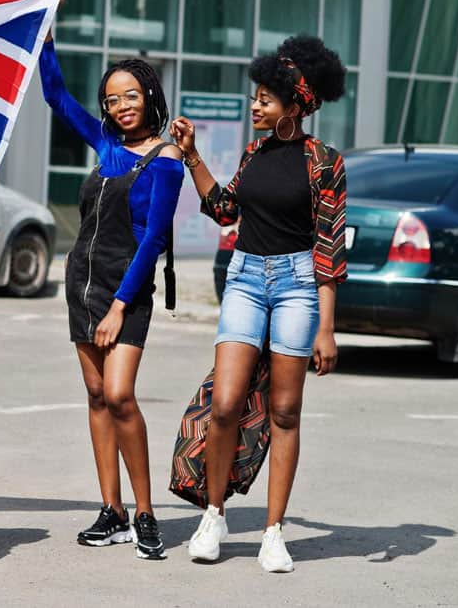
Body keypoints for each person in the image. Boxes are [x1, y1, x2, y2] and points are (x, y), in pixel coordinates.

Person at [170, 34, 347, 573]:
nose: (255, 105)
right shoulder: (254, 154)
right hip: (245, 279)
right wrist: (192, 156)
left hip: (297, 286)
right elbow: (225, 210)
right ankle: (214, 516)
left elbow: (329, 250)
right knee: (224, 404)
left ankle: (273, 532)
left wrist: (326, 328)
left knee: (286, 412)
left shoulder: (324, 162)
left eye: (265, 99)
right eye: (255, 97)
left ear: (295, 105)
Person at [38, 35, 183, 560]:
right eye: (112, 99)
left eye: (130, 96)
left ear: (150, 95)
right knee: (97, 396)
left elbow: (154, 239)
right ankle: (113, 511)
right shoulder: (105, 145)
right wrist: (45, 39)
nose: (121, 106)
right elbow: (56, 96)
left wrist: (120, 306)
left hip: (128, 292)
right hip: (82, 285)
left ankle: (145, 513)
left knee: (120, 395)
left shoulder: (166, 158)